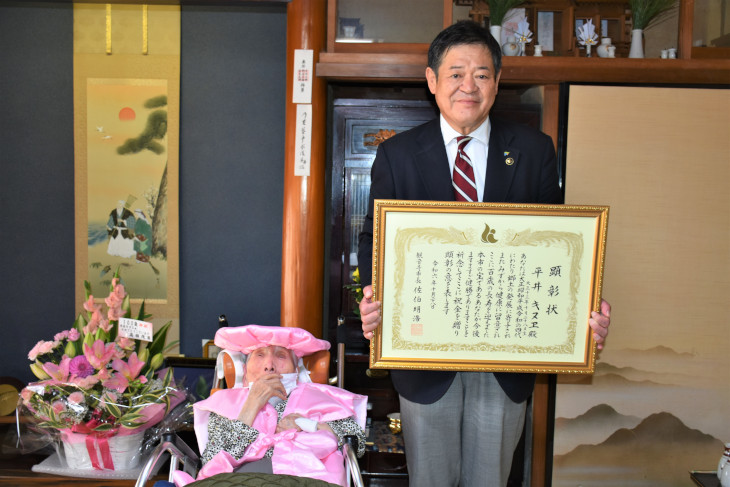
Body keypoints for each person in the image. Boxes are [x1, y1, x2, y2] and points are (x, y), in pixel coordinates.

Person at [357, 20, 611, 487]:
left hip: (504, 357)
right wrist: (374, 297)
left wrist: (581, 312)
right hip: (423, 358)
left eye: (481, 74)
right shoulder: (398, 154)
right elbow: (375, 239)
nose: (468, 86)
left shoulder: (534, 151)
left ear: (497, 82)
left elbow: (557, 246)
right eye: (456, 74)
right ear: (432, 80)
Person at [173, 325, 367, 487]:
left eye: (281, 356)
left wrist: (308, 424)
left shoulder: (319, 398)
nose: (269, 366)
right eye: (260, 355)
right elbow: (213, 461)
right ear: (245, 371)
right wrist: (252, 404)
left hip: (306, 479)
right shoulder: (224, 404)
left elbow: (356, 442)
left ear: (296, 369)